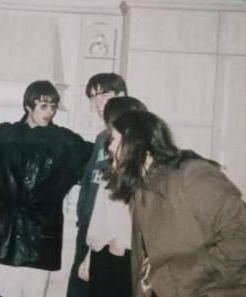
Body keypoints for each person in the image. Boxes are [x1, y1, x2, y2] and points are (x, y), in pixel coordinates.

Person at [105, 110, 246, 297]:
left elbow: (239, 238)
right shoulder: (140, 189)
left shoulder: (194, 175)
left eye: (114, 139)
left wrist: (181, 276)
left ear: (136, 141)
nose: (110, 146)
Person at [0, 80, 92, 297]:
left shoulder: (65, 141)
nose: (49, 112)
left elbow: (93, 159)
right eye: (43, 106)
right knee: (4, 292)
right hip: (6, 234)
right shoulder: (2, 136)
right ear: (28, 106)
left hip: (43, 234)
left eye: (53, 106)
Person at [77, 97, 147, 297]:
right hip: (102, 253)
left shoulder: (145, 172)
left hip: (126, 257)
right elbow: (100, 215)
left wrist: (123, 243)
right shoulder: (111, 165)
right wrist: (90, 256)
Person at [67, 72, 128, 297]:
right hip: (90, 230)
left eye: (103, 94)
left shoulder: (131, 137)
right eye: (92, 97)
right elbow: (89, 183)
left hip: (111, 237)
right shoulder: (102, 138)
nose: (97, 103)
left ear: (121, 95)